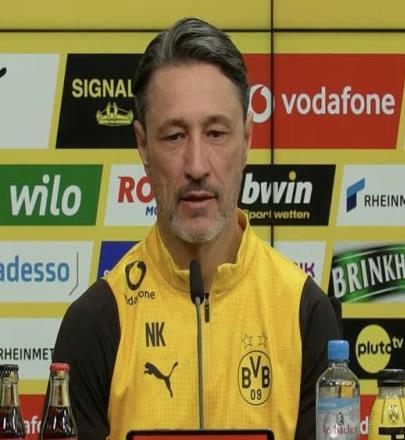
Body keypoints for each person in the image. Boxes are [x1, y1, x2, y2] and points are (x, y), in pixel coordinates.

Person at [50, 17, 342, 440]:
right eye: (174, 136)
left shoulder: (306, 313)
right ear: (142, 145)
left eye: (216, 133)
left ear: (248, 139)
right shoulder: (94, 323)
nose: (197, 165)